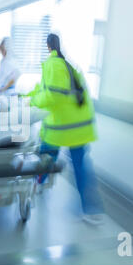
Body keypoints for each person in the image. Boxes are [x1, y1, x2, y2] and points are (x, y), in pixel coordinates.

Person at [26, 33, 104, 225]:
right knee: (81, 166)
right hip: (80, 126)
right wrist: (26, 94)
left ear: (47, 46)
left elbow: (54, 96)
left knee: (46, 156)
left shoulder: (53, 64)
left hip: (62, 126)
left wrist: (33, 101)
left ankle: (35, 186)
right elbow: (44, 88)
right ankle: (91, 210)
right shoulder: (68, 65)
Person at [0, 37, 21, 111]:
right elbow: (2, 78)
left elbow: (15, 77)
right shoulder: (4, 61)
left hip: (9, 94)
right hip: (4, 93)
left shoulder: (11, 61)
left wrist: (3, 88)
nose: (1, 52)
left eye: (2, 50)